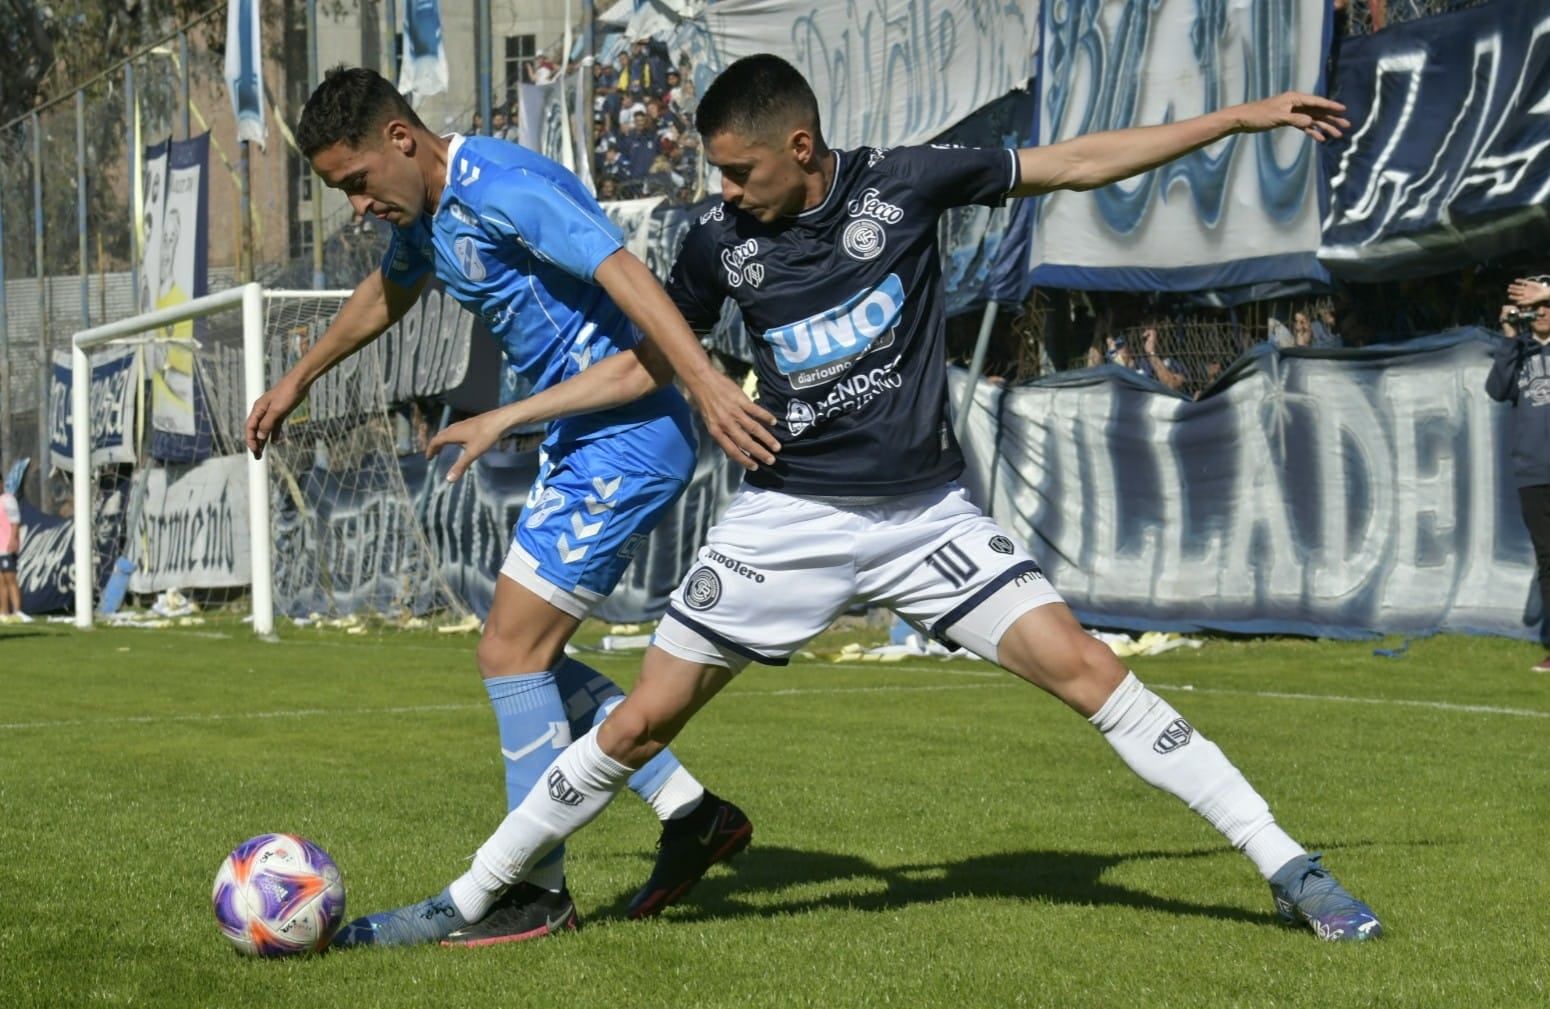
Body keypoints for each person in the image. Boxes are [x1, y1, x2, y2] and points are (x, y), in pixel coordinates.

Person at [352, 54, 1382, 945]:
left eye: (740, 171)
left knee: (1089, 670)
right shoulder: (716, 243)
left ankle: (1288, 864)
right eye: (717, 172)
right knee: (637, 727)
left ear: (801, 147)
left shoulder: (907, 184)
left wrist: (1235, 120)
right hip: (786, 520)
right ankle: (469, 899)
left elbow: (1075, 161)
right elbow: (645, 361)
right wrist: (513, 413)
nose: (725, 191)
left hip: (924, 518)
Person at [244, 66, 782, 946]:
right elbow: (389, 290)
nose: (357, 205)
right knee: (528, 655)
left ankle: (535, 890)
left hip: (628, 436)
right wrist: (298, 378)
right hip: (582, 436)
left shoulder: (503, 187)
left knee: (510, 651)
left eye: (357, 181)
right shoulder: (426, 216)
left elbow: (627, 276)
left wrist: (707, 386)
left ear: (401, 140)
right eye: (342, 191)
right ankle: (691, 813)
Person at [1489, 277, 1550, 671]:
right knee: (1548, 560)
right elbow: (1498, 389)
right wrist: (1510, 336)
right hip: (1534, 471)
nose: (1540, 312)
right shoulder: (1522, 352)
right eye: (1534, 308)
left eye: (1546, 305)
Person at [0, 475, 22, 619]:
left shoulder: (8, 499)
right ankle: (4, 612)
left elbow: (15, 522)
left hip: (7, 547)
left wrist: (13, 539)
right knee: (1, 581)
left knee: (10, 579)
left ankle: (17, 611)